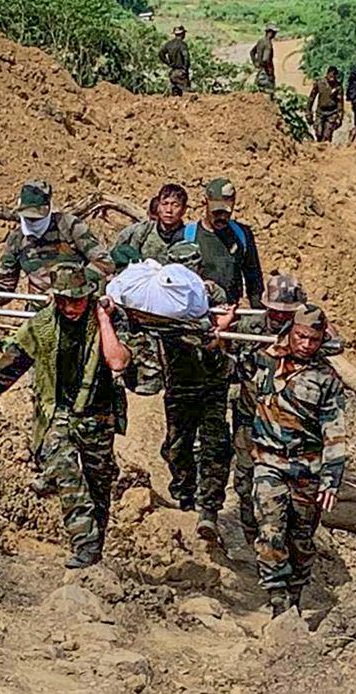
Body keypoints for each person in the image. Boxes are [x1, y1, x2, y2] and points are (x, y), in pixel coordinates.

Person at [0, 264, 133, 569]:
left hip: (98, 416)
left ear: (88, 296)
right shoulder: (42, 325)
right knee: (64, 468)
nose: (70, 308)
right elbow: (13, 362)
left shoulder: (109, 321)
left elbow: (117, 361)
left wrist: (104, 320)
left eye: (76, 301)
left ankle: (93, 552)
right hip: (57, 412)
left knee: (98, 486)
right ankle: (84, 544)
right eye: (63, 301)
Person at [248, 304, 347, 617]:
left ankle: (295, 594)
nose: (306, 344)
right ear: (290, 332)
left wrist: (331, 480)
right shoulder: (265, 358)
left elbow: (335, 432)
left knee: (301, 540)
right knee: (270, 530)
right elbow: (225, 361)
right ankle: (277, 598)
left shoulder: (326, 379)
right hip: (268, 462)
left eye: (313, 340)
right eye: (301, 336)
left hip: (307, 470)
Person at [158, 241, 237, 542]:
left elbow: (217, 340)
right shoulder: (163, 298)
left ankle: (209, 509)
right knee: (177, 446)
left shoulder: (212, 293)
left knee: (214, 446)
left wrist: (219, 329)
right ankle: (185, 496)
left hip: (213, 380)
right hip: (180, 381)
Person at [231, 274, 307, 543]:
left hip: (289, 423)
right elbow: (225, 350)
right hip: (250, 419)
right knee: (246, 479)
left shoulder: (304, 335)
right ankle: (253, 537)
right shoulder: (249, 326)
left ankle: (285, 539)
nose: (279, 317)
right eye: (275, 311)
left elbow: (333, 342)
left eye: (286, 313)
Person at [0, 180, 114, 306]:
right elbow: (5, 288)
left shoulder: (69, 226)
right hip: (41, 313)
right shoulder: (16, 240)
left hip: (78, 306)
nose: (32, 221)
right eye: (29, 217)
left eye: (37, 217)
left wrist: (67, 287)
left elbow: (104, 262)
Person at [182, 178, 264, 308]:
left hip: (231, 311)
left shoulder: (242, 235)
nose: (222, 217)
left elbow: (254, 279)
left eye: (226, 212)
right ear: (205, 202)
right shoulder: (187, 235)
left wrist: (258, 309)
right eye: (217, 212)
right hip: (196, 310)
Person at [112, 183, 189, 263]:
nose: (169, 210)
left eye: (175, 205)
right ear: (158, 206)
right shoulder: (140, 231)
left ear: (184, 210)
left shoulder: (189, 238)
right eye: (164, 204)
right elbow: (113, 255)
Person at [306, 66, 344, 142]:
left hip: (332, 113)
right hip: (320, 112)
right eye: (331, 75)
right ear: (327, 74)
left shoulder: (338, 87)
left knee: (327, 136)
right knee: (319, 133)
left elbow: (340, 103)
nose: (332, 78)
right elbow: (311, 98)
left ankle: (326, 147)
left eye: (334, 76)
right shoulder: (319, 83)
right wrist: (308, 111)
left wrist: (340, 117)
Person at [159, 26, 191, 96]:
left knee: (175, 94)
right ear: (182, 34)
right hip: (181, 72)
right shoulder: (182, 45)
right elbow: (186, 58)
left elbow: (161, 53)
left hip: (172, 72)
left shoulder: (169, 44)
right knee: (187, 94)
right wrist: (185, 69)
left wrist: (168, 63)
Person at [250, 24, 278, 93]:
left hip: (259, 71)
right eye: (274, 33)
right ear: (270, 32)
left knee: (259, 92)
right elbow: (265, 59)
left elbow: (252, 52)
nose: (275, 35)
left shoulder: (261, 41)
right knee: (269, 92)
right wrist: (270, 73)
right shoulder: (268, 44)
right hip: (266, 72)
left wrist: (255, 63)